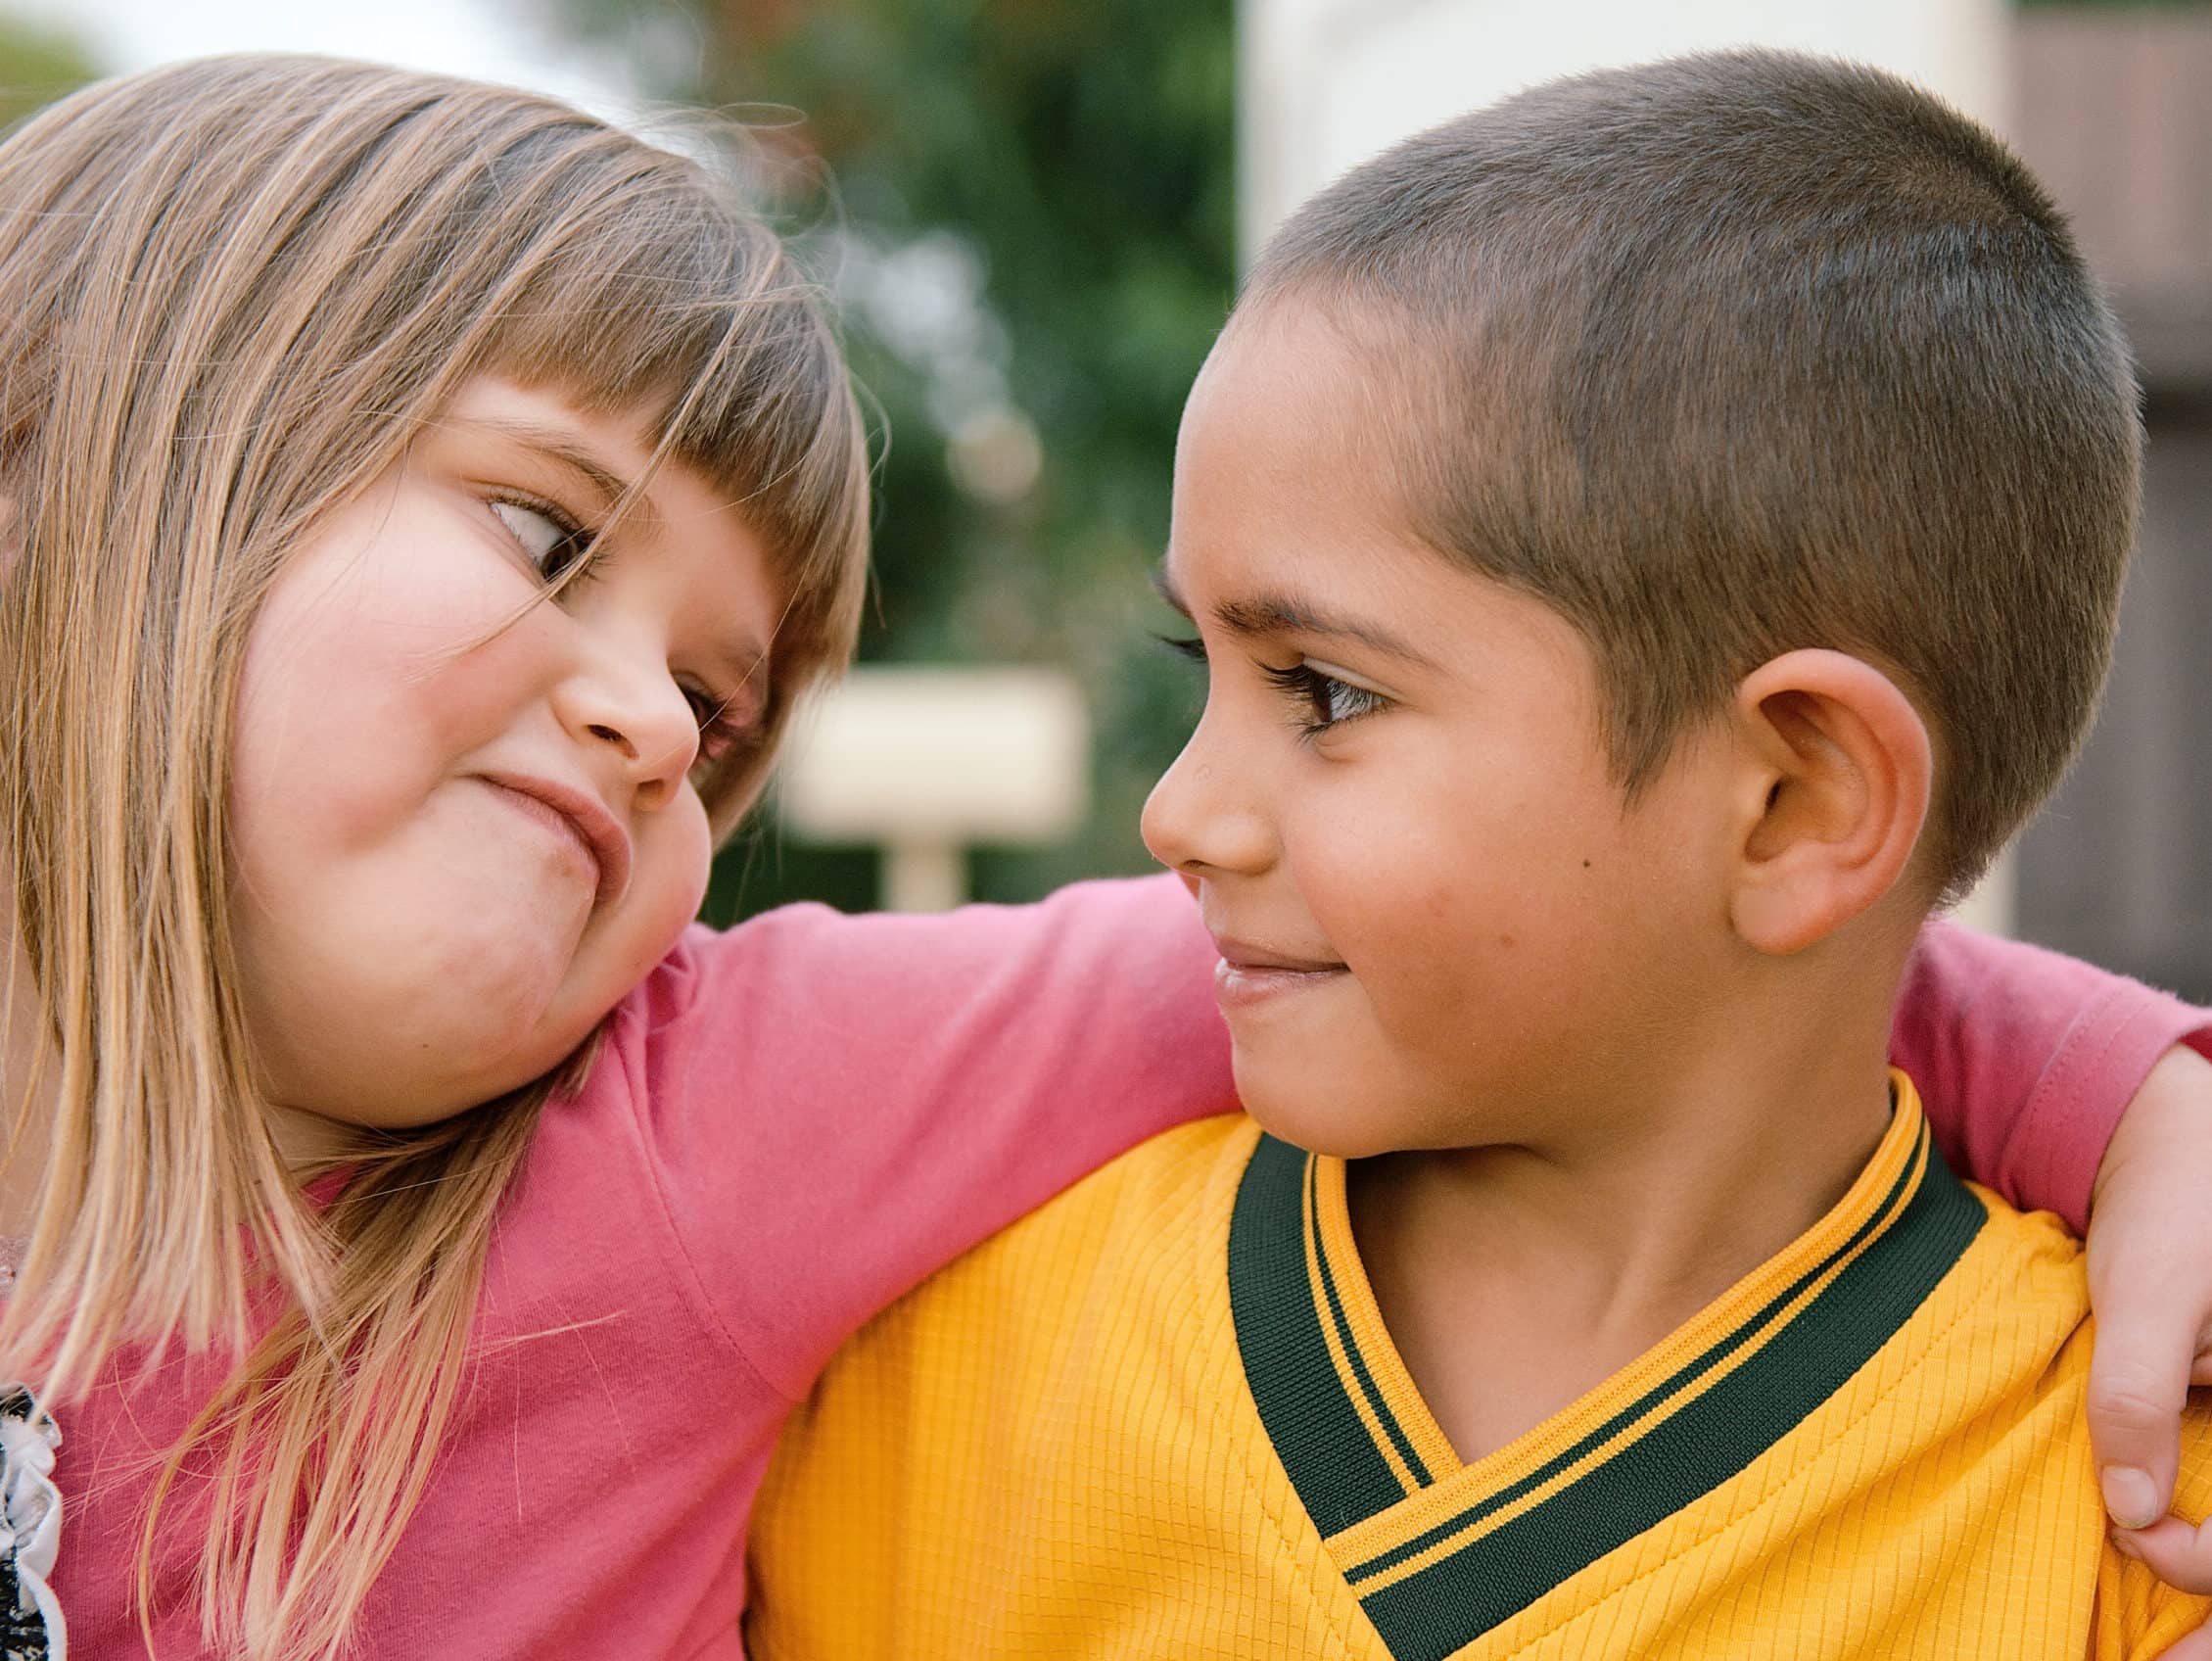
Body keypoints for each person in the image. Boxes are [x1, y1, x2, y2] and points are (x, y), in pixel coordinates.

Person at [0, 48, 2205, 1661]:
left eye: (728, 709)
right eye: (544, 530)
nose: (654, 719)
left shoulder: (704, 1120)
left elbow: (1661, 969)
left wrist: (2131, 1098)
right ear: (57, 466)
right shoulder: (964, 1335)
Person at [745, 51, 2212, 1660]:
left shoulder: (2134, 1497)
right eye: (1202, 671)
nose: (1177, 813)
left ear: (1794, 805)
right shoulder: (941, 1373)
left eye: (1327, 690)